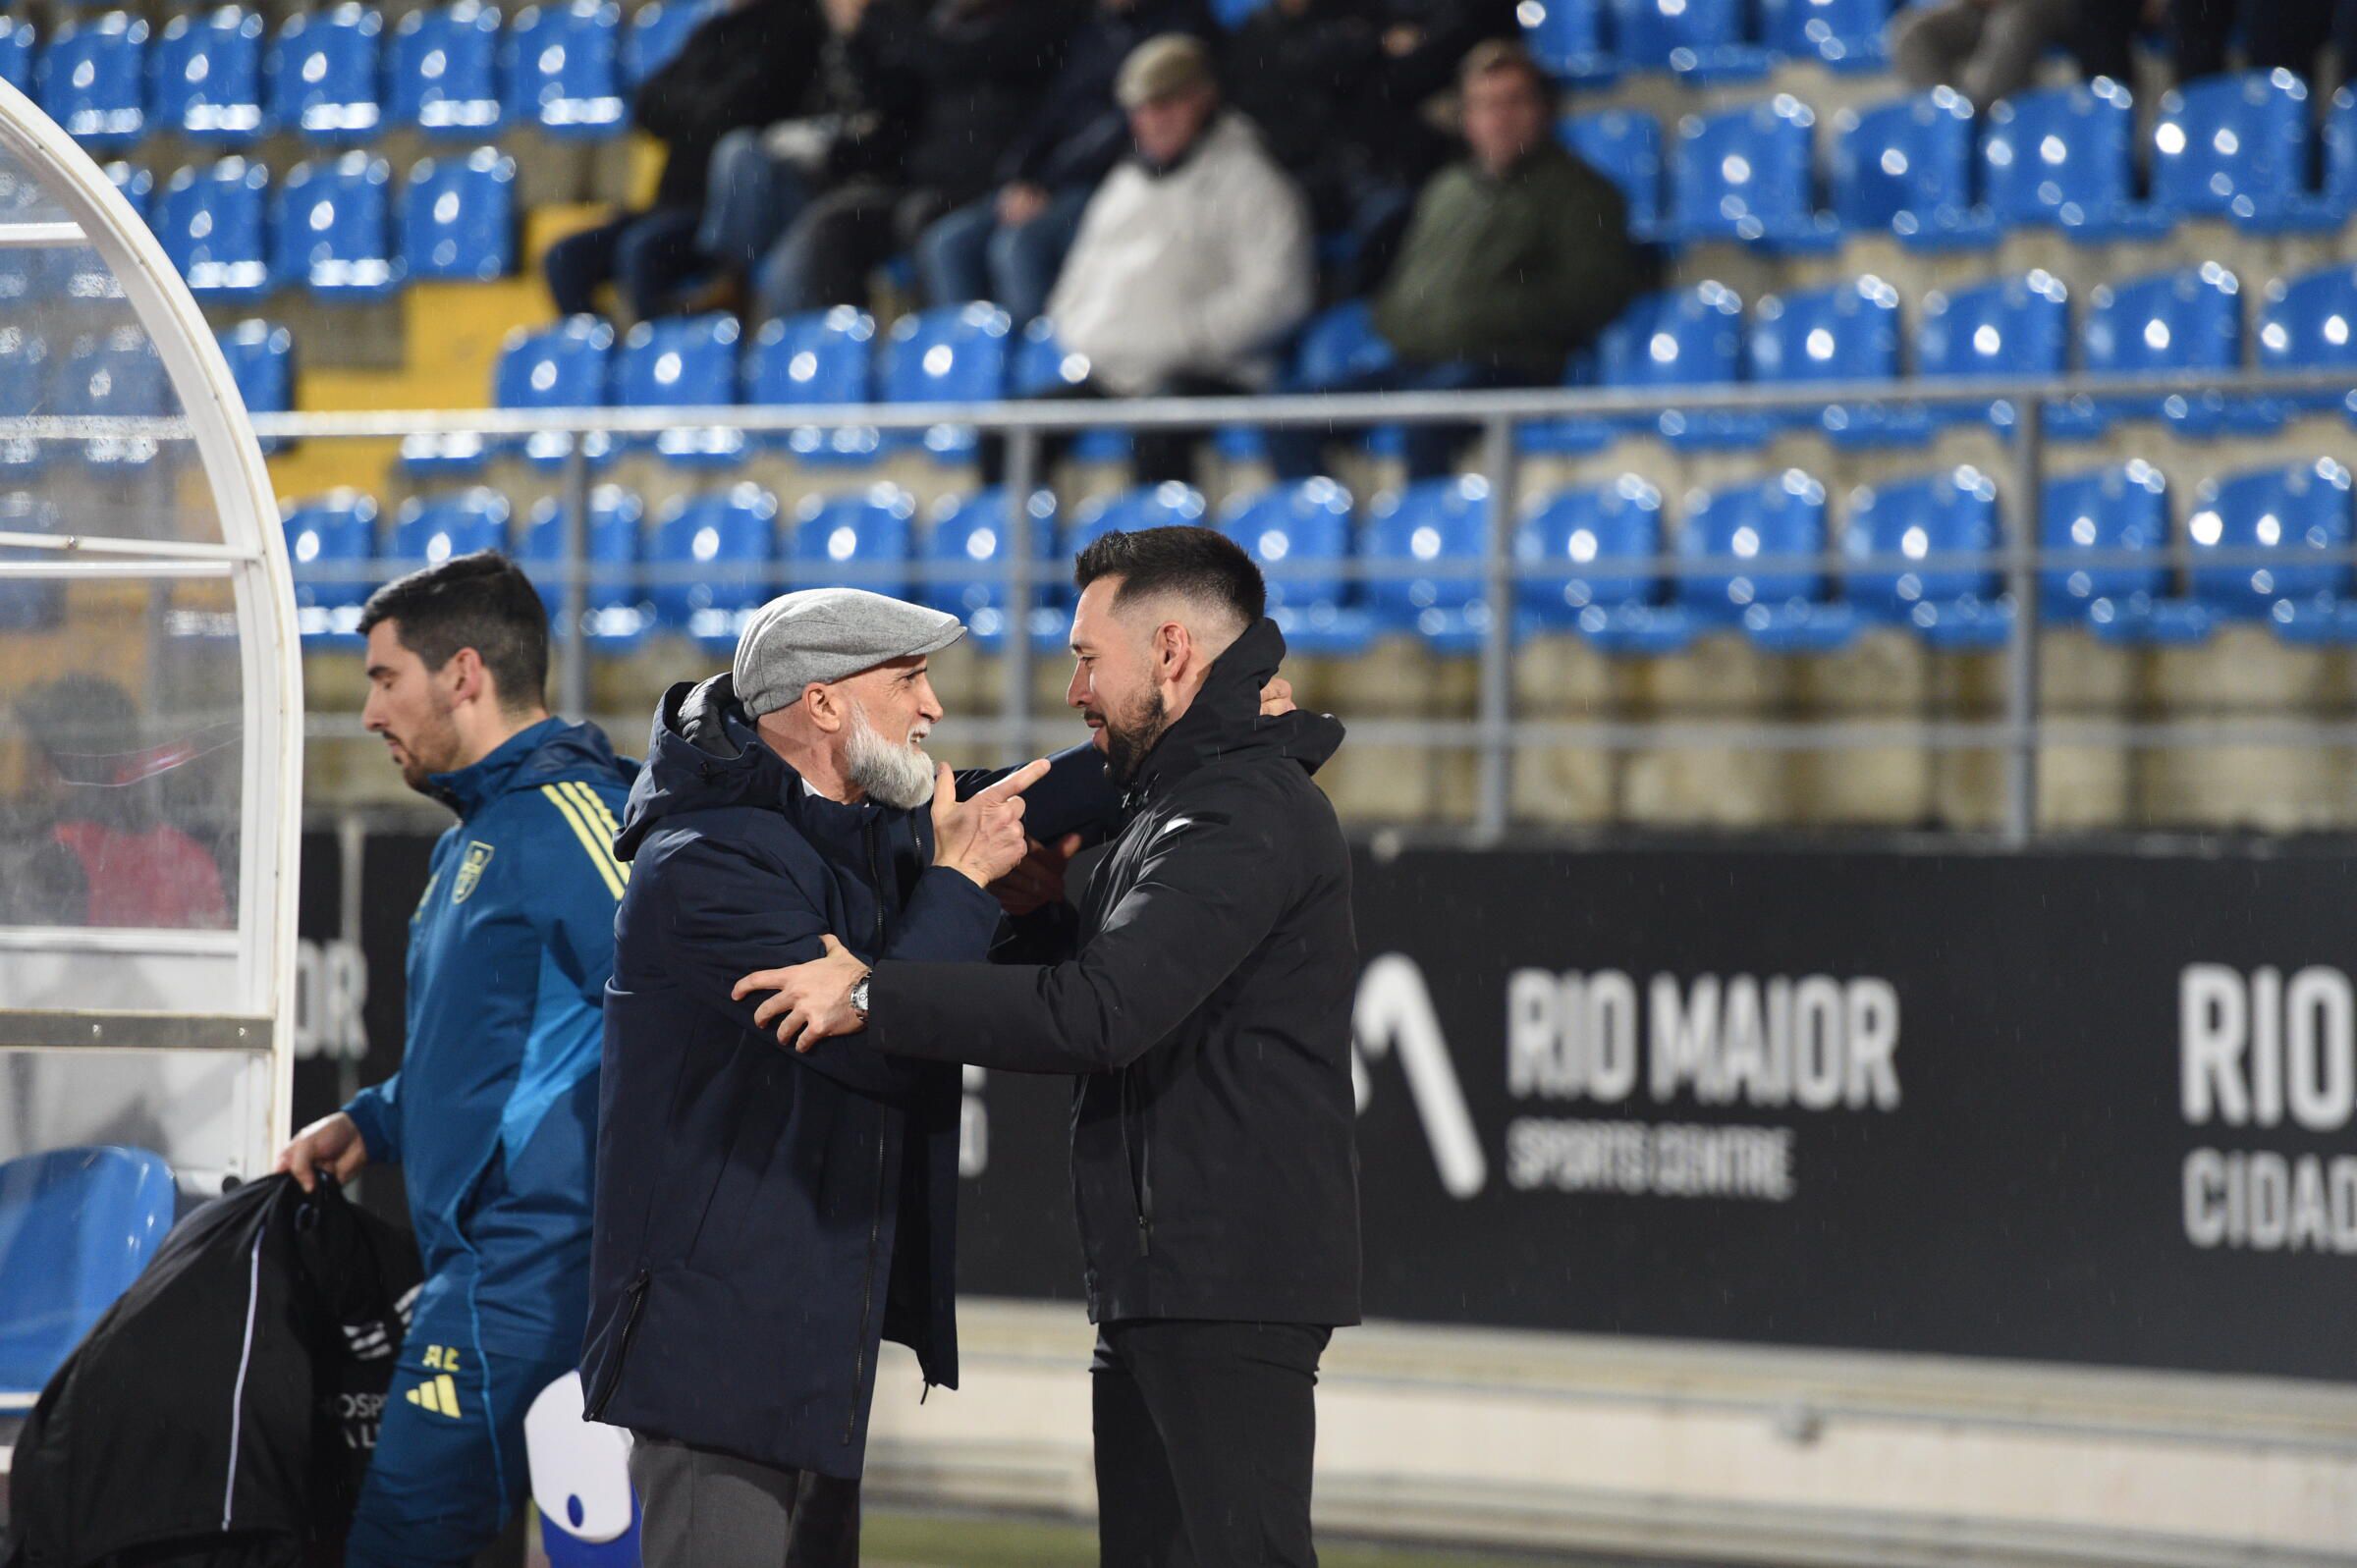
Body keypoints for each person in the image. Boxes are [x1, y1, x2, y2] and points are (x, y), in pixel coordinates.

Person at [735, 528, 1359, 1568]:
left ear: (1170, 653)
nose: (1073, 688)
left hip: (1223, 1278)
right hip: (1171, 1276)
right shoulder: (1189, 798)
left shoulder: (1240, 809)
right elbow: (1112, 974)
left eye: (1084, 657)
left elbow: (1100, 1013)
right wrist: (1019, 913)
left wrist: (876, 994)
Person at [581, 588, 1111, 1564]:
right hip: (718, 1357)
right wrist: (956, 888)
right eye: (910, 679)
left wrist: (1211, 720)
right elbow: (875, 1042)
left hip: (815, 1340)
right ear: (824, 705)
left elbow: (1037, 803)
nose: (934, 708)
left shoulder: (868, 827)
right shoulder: (702, 864)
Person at [274, 552, 636, 1568]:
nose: (369, 714)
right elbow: (487, 1053)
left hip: (533, 1277)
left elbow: (685, 1017)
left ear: (464, 673)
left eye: (385, 680)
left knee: (398, 1543)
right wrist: (370, 1119)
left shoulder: (582, 822)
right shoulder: (475, 836)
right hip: (481, 1272)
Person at [996, 33, 1314, 487]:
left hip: (1212, 372)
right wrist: (1090, 335)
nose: (1150, 121)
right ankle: (1024, 554)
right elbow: (1078, 280)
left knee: (1160, 424)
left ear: (1203, 99)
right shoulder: (1123, 184)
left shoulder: (1255, 185)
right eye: (1140, 110)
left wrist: (1187, 337)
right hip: (1116, 373)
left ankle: (1162, 559)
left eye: (1165, 105)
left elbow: (1279, 296)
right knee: (1013, 429)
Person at [1344, 39, 1644, 479]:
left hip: (1512, 365)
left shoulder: (1585, 195)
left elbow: (1592, 294)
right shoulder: (1447, 189)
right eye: (1484, 104)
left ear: (1544, 109)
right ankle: (1320, 528)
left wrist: (1482, 318)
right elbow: (1407, 285)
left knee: (1426, 419)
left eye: (1513, 102)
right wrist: (1401, 320)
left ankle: (1435, 538)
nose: (1499, 118)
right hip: (1420, 361)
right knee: (1298, 412)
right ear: (1466, 118)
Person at [745, 0, 1083, 322]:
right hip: (919, 184)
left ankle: (968, 357)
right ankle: (840, 364)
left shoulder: (1038, 18)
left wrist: (875, 20)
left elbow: (961, 59)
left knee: (924, 221)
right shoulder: (939, 23)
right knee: (828, 231)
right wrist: (855, 39)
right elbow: (892, 99)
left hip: (988, 185)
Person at [914, 0, 1214, 324]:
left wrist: (1046, 184)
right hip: (1050, 181)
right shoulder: (1092, 29)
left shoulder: (1180, 27)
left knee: (1018, 247)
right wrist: (1017, 178)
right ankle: (976, 368)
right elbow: (1050, 114)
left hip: (1110, 181)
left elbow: (1130, 126)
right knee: (946, 244)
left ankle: (1042, 366)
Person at [541, 0, 817, 318]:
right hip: (668, 204)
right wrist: (699, 106)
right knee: (565, 259)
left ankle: (670, 354)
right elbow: (647, 103)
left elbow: (735, 111)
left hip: (716, 214)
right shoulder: (712, 32)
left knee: (642, 250)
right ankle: (606, 359)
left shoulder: (792, 27)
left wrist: (686, 106)